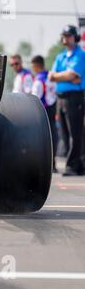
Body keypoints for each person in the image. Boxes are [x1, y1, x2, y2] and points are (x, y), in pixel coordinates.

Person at [49, 25, 85, 176]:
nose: (65, 38)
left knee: (74, 132)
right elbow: (51, 76)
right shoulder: (60, 56)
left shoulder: (80, 55)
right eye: (63, 35)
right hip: (61, 98)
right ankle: (79, 165)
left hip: (74, 98)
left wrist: (62, 76)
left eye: (68, 35)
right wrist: (67, 76)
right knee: (63, 133)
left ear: (74, 37)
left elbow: (73, 75)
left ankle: (73, 165)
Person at [31, 55, 58, 172]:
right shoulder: (51, 77)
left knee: (42, 138)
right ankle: (53, 163)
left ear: (36, 66)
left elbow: (35, 98)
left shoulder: (38, 80)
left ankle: (45, 164)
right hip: (53, 108)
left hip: (42, 110)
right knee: (53, 136)